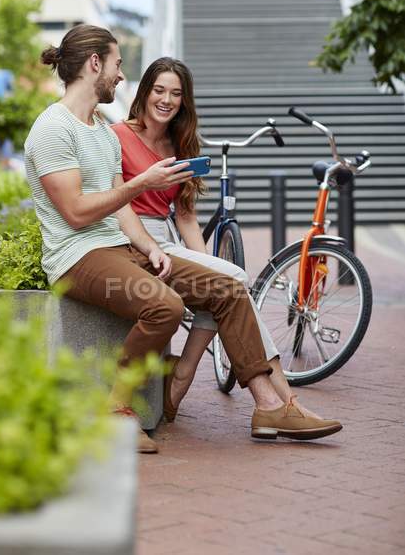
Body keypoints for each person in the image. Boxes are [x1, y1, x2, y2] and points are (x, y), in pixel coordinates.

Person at [24, 25, 342, 455]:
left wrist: (150, 245)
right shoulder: (52, 128)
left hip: (121, 248)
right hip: (77, 258)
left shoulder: (99, 128)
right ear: (94, 63)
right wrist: (142, 186)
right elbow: (77, 212)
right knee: (165, 306)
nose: (121, 76)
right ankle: (116, 409)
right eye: (118, 64)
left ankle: (270, 405)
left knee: (227, 288)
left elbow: (120, 211)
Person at [111, 56, 342, 428]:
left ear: (185, 101)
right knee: (234, 280)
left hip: (169, 239)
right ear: (144, 92)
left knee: (225, 284)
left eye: (176, 94)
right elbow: (115, 200)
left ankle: (195, 378)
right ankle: (278, 399)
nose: (166, 100)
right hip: (134, 236)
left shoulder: (179, 143)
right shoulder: (117, 135)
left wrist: (204, 262)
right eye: (159, 90)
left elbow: (184, 214)